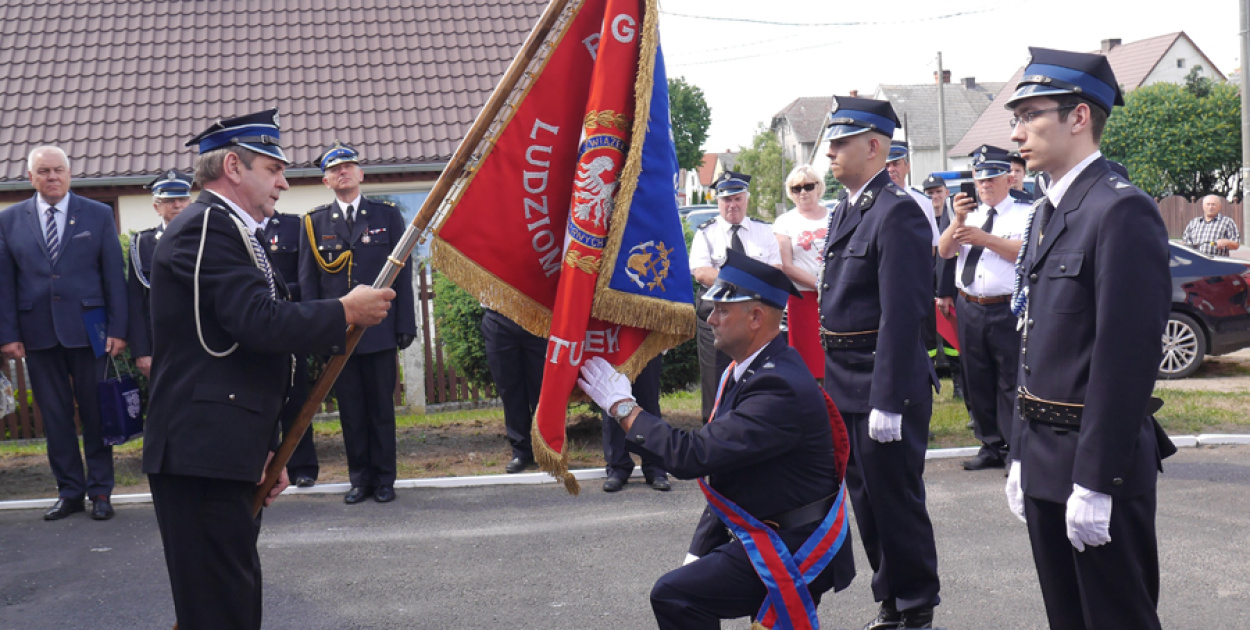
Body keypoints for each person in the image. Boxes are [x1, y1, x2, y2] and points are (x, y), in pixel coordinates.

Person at [142, 109, 395, 630]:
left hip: (221, 449)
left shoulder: (228, 227)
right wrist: (345, 310)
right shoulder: (207, 226)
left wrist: (262, 447)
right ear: (232, 166)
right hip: (200, 454)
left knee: (228, 602)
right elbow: (258, 323)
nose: (284, 181)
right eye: (271, 168)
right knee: (219, 610)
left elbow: (239, 350)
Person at [577, 250, 854, 630]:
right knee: (687, 589)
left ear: (756, 317)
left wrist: (624, 408)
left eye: (723, 309)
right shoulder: (751, 372)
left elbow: (693, 455)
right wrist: (698, 551)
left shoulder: (778, 386)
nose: (711, 318)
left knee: (674, 595)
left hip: (794, 543)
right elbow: (725, 476)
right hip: (764, 531)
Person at [1004, 48, 1174, 630]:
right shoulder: (1048, 210)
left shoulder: (1119, 210)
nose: (1018, 132)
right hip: (1046, 456)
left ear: (1079, 117)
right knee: (1068, 618)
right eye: (1015, 118)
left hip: (1096, 463)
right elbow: (1035, 341)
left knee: (1116, 618)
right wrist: (1020, 455)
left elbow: (1124, 361)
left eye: (1032, 115)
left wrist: (1096, 481)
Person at [820, 96, 941, 629]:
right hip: (846, 379)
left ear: (874, 146)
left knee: (895, 501)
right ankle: (891, 600)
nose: (830, 151)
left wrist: (888, 398)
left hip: (881, 380)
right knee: (866, 503)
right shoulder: (849, 207)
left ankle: (915, 607)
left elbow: (903, 312)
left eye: (841, 142)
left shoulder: (896, 211)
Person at [0, 145, 127, 522]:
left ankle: (101, 491)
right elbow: (5, 282)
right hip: (37, 334)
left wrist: (118, 329)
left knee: (98, 416)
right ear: (31, 177)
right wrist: (8, 334)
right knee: (55, 418)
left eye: (58, 170)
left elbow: (113, 278)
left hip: (91, 333)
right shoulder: (9, 221)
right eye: (44, 171)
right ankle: (69, 491)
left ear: (69, 174)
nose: (52, 177)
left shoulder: (99, 214)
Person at [299, 140, 417, 505]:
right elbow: (310, 284)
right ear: (325, 181)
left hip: (379, 331)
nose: (342, 172)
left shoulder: (387, 216)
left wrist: (405, 324)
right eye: (334, 169)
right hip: (339, 334)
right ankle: (359, 480)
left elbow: (403, 273)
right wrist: (315, 334)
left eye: (348, 166)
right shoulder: (314, 223)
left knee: (381, 409)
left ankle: (384, 480)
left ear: (360, 173)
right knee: (350, 411)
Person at [938, 145, 1029, 471]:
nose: (985, 186)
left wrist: (984, 239)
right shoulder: (966, 213)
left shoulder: (1025, 212)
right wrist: (959, 220)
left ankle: (1013, 448)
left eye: (991, 179)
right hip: (970, 306)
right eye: (980, 180)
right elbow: (946, 252)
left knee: (1009, 379)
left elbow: (1024, 253)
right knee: (976, 378)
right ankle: (990, 444)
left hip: (1006, 308)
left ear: (1008, 178)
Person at [689, 170, 780, 421]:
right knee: (714, 378)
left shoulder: (763, 231)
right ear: (718, 202)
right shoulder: (706, 233)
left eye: (737, 198)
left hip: (755, 319)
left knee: (759, 375)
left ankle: (757, 425)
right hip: (717, 318)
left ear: (746, 199)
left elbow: (776, 269)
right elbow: (701, 272)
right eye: (726, 200)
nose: (732, 205)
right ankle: (713, 435)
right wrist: (744, 287)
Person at [260, 208, 319, 487]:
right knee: (259, 402)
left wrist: (278, 295)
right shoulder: (237, 228)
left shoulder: (294, 225)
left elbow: (306, 276)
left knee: (297, 400)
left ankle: (302, 466)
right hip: (254, 328)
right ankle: (260, 467)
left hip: (289, 324)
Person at [127, 170, 192, 379]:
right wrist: (141, 351)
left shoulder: (206, 238)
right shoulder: (142, 244)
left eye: (182, 199)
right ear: (157, 206)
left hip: (200, 342)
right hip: (159, 343)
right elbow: (135, 302)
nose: (177, 205)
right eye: (170, 200)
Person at [772, 164, 829, 380]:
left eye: (808, 186)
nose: (803, 192)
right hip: (803, 298)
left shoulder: (834, 216)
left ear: (818, 187)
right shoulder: (785, 222)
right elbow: (786, 265)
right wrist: (819, 285)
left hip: (835, 297)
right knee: (807, 361)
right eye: (797, 188)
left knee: (833, 358)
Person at [481, 307, 545, 473]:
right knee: (510, 390)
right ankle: (521, 451)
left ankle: (546, 450)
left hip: (537, 315)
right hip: (498, 315)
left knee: (543, 390)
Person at [599, 355, 670, 492]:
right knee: (613, 398)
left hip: (647, 338)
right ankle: (617, 466)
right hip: (613, 338)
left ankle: (655, 467)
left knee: (649, 402)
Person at [922, 174, 962, 400]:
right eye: (930, 193)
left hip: (948, 285)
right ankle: (928, 383)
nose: (935, 197)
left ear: (947, 192)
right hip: (926, 287)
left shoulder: (953, 217)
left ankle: (958, 384)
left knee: (952, 341)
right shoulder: (922, 218)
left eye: (938, 192)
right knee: (927, 340)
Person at [884, 140, 941, 248]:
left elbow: (932, 246)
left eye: (896, 164)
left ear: (908, 167)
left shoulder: (923, 201)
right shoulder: (875, 200)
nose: (891, 169)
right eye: (887, 165)